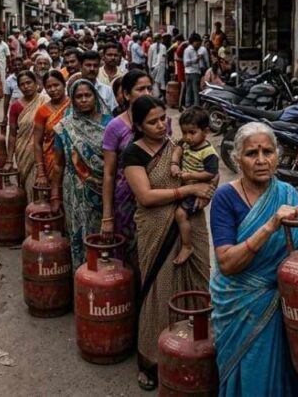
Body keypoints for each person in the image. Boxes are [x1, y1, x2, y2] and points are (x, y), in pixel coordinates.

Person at [209, 122, 298, 395]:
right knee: (249, 373)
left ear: (278, 156)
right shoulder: (225, 198)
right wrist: (269, 227)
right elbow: (227, 263)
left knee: (284, 375)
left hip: (282, 306)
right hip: (239, 304)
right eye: (252, 153)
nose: (262, 160)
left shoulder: (288, 195)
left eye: (268, 151)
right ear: (237, 159)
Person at [121, 96, 214, 391]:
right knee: (159, 292)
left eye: (163, 118)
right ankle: (151, 360)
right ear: (137, 125)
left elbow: (209, 175)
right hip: (155, 229)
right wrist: (188, 188)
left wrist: (204, 193)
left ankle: (199, 355)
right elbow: (146, 197)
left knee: (199, 284)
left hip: (190, 223)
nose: (161, 125)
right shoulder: (133, 154)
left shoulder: (177, 146)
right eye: (152, 121)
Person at [50, 79, 112, 265]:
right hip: (76, 192)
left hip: (107, 191)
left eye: (88, 95)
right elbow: (58, 164)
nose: (84, 100)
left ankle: (110, 285)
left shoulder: (111, 123)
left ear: (96, 97)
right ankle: (83, 280)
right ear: (72, 100)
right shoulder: (65, 127)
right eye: (79, 96)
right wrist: (55, 196)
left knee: (108, 235)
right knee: (79, 234)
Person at [101, 71, 155, 266]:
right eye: (140, 89)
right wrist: (107, 216)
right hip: (125, 203)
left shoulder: (160, 122)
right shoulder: (115, 127)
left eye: (149, 88)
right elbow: (109, 173)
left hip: (156, 198)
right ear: (126, 94)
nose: (147, 93)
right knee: (128, 258)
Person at [170, 107, 220, 265]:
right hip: (186, 185)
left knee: (180, 214)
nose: (187, 137)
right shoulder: (186, 143)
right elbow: (178, 147)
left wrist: (191, 175)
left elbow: (211, 174)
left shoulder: (208, 153)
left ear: (205, 131)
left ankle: (187, 246)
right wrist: (174, 164)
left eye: (192, 132)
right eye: (184, 133)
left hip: (197, 189)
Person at [6, 70, 50, 198]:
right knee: (29, 185)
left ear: (36, 83)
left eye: (29, 82)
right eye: (22, 84)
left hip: (45, 150)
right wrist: (9, 159)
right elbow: (13, 134)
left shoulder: (46, 101)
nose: (26, 86)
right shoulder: (15, 107)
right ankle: (31, 211)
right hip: (24, 151)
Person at [32, 70, 71, 193]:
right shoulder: (42, 112)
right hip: (51, 161)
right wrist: (41, 172)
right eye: (49, 87)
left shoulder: (74, 105)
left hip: (74, 160)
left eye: (56, 85)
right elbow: (37, 143)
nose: (53, 89)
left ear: (64, 84)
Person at [182, 34, 208, 108]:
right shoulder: (188, 50)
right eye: (197, 43)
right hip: (191, 72)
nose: (198, 45)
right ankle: (194, 106)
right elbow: (186, 63)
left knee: (191, 90)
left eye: (199, 44)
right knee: (194, 91)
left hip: (194, 72)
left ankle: (190, 105)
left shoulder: (196, 50)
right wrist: (196, 60)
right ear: (193, 42)